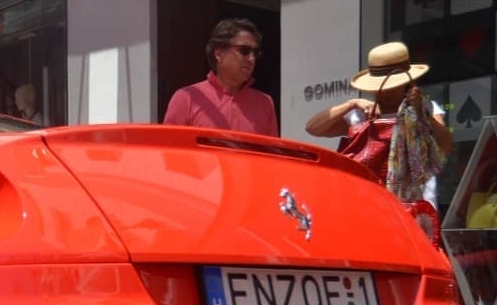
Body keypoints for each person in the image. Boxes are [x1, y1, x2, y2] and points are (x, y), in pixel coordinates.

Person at [304, 41, 453, 207]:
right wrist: (351, 104)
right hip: (369, 204)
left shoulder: (428, 108)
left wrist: (421, 113)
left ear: (407, 83)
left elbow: (446, 146)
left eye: (393, 86)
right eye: (382, 86)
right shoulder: (362, 115)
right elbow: (313, 127)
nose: (386, 91)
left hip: (418, 206)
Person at [163, 18, 278, 136]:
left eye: (255, 52)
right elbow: (169, 149)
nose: (251, 59)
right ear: (219, 53)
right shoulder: (187, 98)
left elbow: (272, 153)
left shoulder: (265, 103)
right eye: (244, 51)